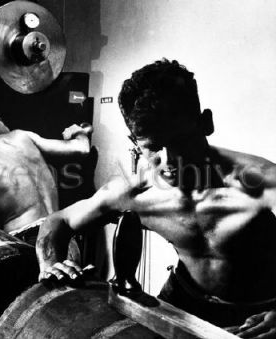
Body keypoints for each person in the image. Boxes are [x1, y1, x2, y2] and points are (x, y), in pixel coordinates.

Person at [36, 59, 276, 337]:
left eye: (180, 141)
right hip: (184, 303)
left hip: (262, 310)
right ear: (135, 143)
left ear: (205, 123)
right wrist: (51, 263)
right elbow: (57, 222)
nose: (169, 160)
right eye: (153, 147)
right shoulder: (138, 193)